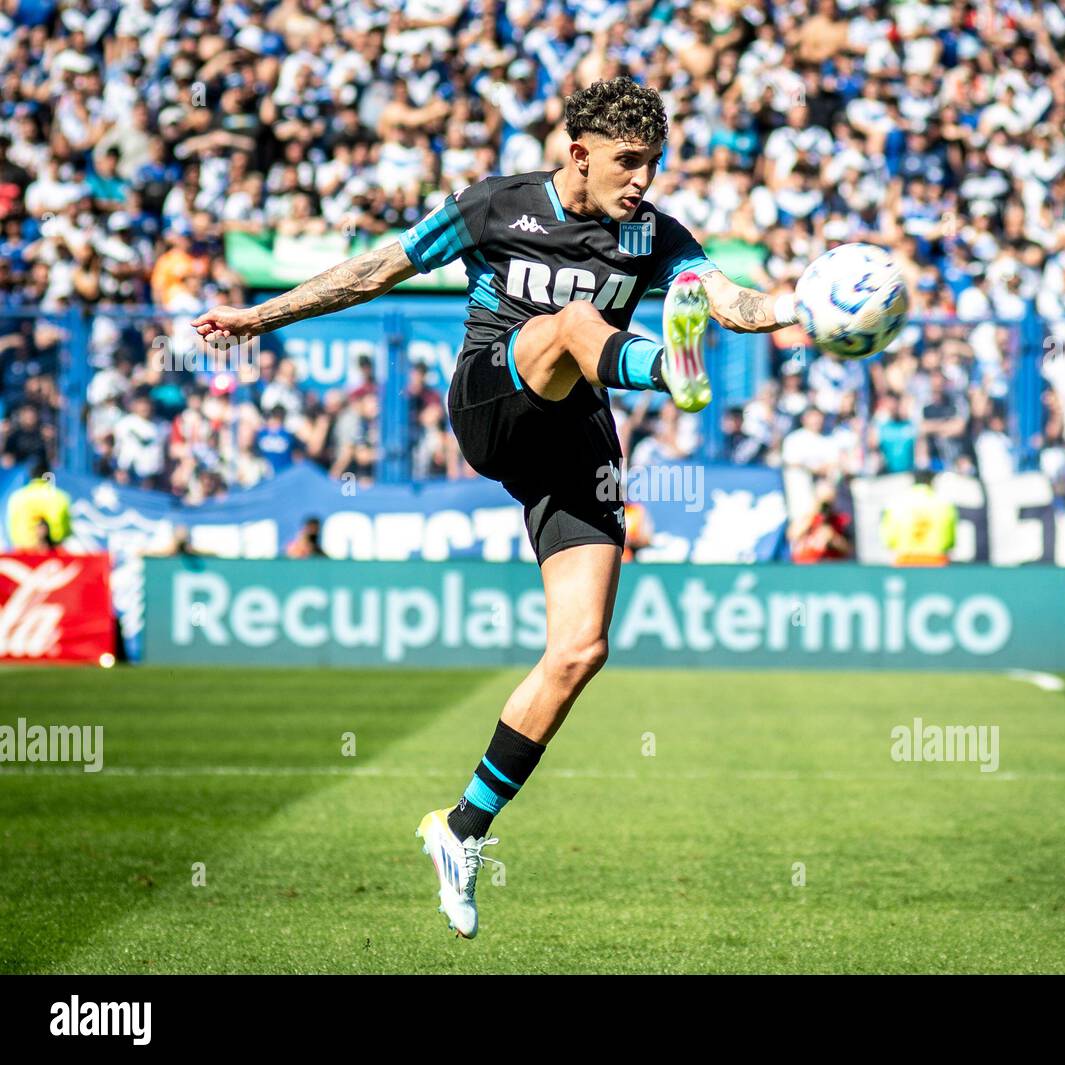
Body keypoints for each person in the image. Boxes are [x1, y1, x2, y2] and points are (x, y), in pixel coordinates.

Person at [191, 76, 800, 939]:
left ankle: (462, 828)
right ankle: (670, 371)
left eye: (655, 163)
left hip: (575, 433)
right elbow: (379, 267)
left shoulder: (655, 234)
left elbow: (724, 298)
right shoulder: (496, 205)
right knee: (573, 322)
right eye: (629, 162)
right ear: (578, 152)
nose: (643, 180)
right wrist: (265, 315)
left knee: (580, 648)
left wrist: (792, 306)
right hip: (494, 395)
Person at [880, 469, 958, 566]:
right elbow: (950, 541)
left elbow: (889, 539)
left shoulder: (897, 503)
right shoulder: (945, 504)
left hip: (905, 561)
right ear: (931, 482)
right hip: (936, 561)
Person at [5, 460, 71, 549]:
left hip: (22, 555)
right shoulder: (60, 497)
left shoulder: (17, 497)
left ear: (30, 475)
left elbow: (12, 528)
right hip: (54, 555)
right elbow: (67, 530)